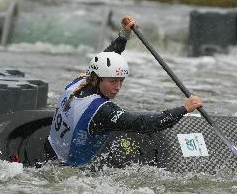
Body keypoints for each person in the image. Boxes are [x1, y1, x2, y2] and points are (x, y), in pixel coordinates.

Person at [46, 15, 203, 168]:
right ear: (98, 79)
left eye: (121, 81)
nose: (118, 87)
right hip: (70, 172)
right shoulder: (102, 111)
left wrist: (124, 35)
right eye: (113, 81)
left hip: (50, 151)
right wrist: (184, 109)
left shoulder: (80, 81)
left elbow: (107, 56)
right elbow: (144, 123)